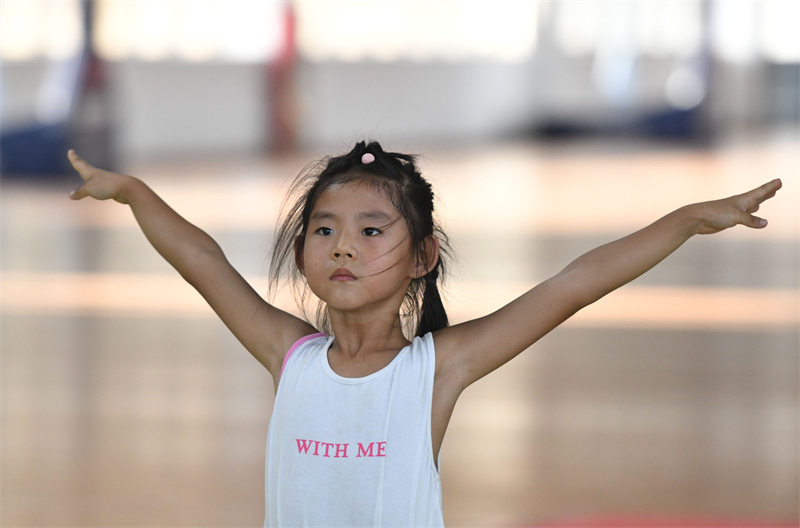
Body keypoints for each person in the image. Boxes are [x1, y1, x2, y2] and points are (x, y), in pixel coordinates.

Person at [67, 141, 781, 527]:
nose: (342, 247)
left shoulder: (436, 369)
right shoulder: (289, 355)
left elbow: (574, 282)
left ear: (423, 257)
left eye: (370, 231)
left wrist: (686, 220)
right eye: (323, 230)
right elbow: (202, 260)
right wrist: (130, 191)